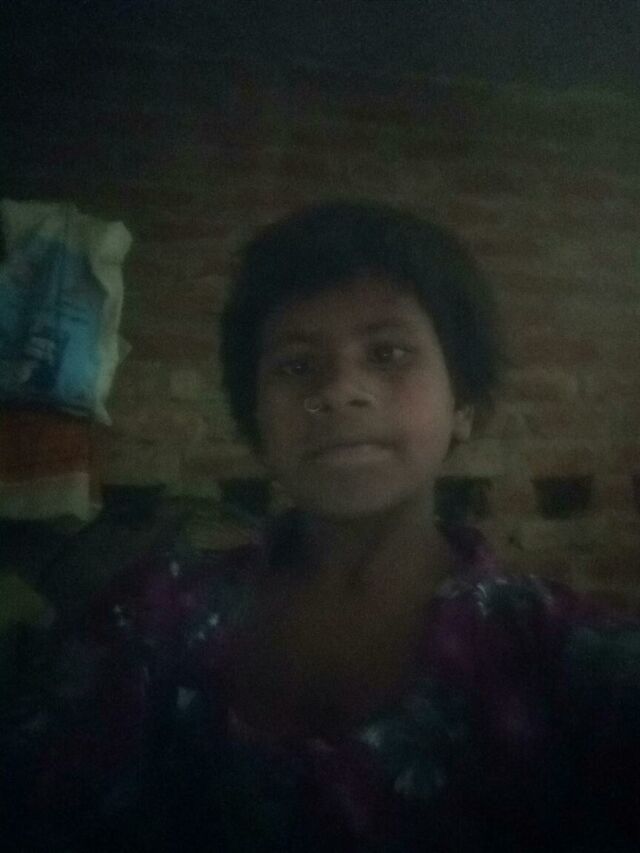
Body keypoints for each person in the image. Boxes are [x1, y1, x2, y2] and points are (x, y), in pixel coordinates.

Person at [2, 201, 639, 852]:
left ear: (464, 406)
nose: (339, 389)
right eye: (296, 365)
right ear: (256, 418)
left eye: (388, 353)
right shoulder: (147, 617)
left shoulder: (559, 657)